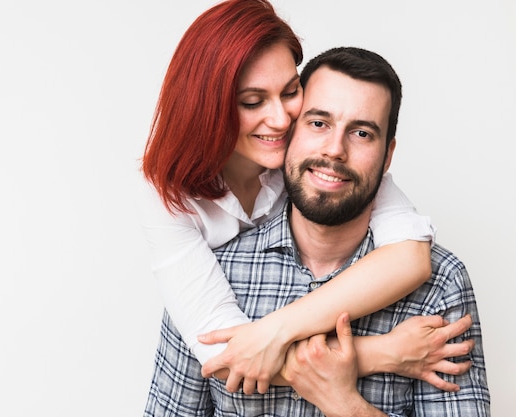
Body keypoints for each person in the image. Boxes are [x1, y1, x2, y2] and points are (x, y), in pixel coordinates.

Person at [144, 46, 490, 416]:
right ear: (288, 134)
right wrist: (378, 354)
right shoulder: (212, 272)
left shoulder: (441, 282)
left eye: (361, 133)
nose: (334, 150)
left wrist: (342, 401)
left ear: (387, 156)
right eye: (318, 123)